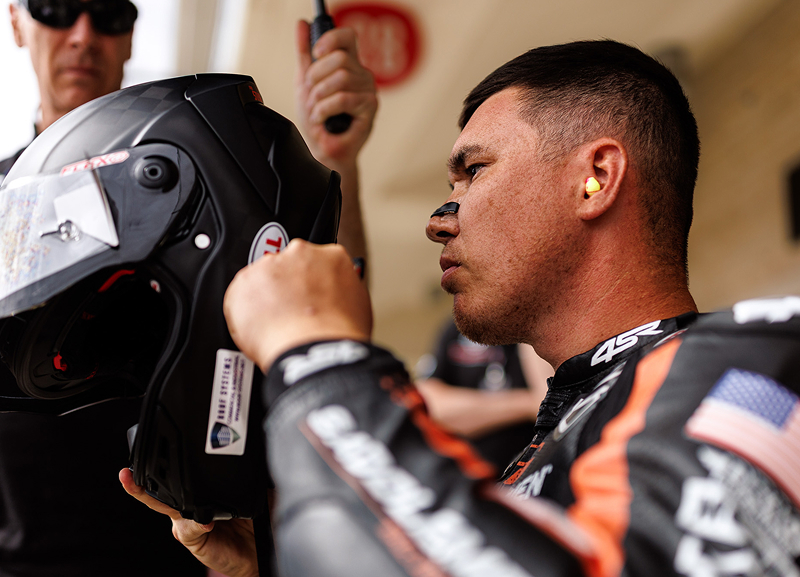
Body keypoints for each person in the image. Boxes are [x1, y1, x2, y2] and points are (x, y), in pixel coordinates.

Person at [124, 40, 800, 577]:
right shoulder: (551, 440)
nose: (439, 221)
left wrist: (317, 359)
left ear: (594, 179)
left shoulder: (753, 363)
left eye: (472, 171)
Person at [1, 1, 376, 575]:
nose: (83, 34)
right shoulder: (6, 202)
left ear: (130, 37)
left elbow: (329, 311)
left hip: (193, 552)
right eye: (56, 8)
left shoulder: (206, 180)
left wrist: (334, 163)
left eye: (107, 15)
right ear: (16, 23)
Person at [415, 318, 551, 469]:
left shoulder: (539, 325)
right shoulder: (458, 327)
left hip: (534, 469)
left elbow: (551, 404)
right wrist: (526, 403)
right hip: (468, 473)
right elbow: (427, 406)